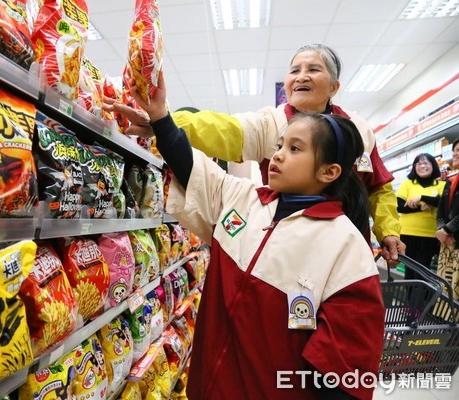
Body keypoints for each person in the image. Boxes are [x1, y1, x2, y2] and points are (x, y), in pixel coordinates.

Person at [129, 71, 385, 399]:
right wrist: (160, 115)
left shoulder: (346, 248)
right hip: (208, 388)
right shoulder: (245, 199)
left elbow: (345, 369)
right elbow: (192, 168)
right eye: (279, 145)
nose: (277, 155)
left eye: (295, 149)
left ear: (329, 171)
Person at [104, 43, 405, 262]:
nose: (301, 76)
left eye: (313, 69)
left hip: (344, 246)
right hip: (284, 239)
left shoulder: (360, 130)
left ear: (334, 87)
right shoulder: (271, 122)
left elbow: (378, 186)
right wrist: (162, 123)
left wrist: (388, 230)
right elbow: (222, 129)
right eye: (294, 70)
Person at [396, 153, 443, 278]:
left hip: (430, 234)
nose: (422, 166)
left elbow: (441, 202)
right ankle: (410, 298)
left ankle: (420, 298)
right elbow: (399, 206)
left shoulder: (441, 185)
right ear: (414, 167)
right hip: (407, 233)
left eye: (426, 163)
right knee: (409, 272)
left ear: (433, 165)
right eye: (419, 163)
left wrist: (420, 197)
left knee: (422, 272)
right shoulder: (407, 184)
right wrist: (422, 207)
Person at [435, 139, 459, 301]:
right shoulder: (450, 181)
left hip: (454, 238)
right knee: (447, 286)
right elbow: (441, 210)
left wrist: (447, 230)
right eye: (455, 150)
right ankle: (448, 321)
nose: (456, 153)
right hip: (447, 243)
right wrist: (442, 228)